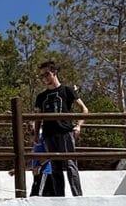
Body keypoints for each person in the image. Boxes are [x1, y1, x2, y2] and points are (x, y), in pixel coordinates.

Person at [34, 60, 89, 197]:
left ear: (54, 72)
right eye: (42, 76)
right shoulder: (41, 97)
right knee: (55, 167)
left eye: (47, 74)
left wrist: (78, 126)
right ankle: (59, 198)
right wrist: (36, 135)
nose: (45, 78)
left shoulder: (67, 90)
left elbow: (84, 109)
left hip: (65, 132)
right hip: (48, 135)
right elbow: (38, 117)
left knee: (70, 164)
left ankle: (78, 196)